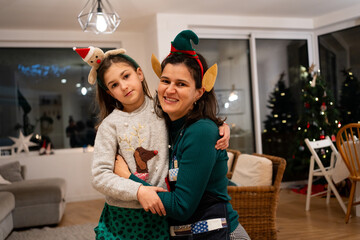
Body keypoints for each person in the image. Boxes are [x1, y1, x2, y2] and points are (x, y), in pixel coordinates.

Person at [73, 46, 230, 240]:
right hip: (123, 214)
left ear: (139, 73)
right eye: (114, 85)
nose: (123, 86)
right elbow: (99, 175)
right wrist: (138, 190)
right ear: (109, 92)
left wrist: (220, 126)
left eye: (126, 76)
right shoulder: (110, 125)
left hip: (161, 213)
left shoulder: (162, 108)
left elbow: (191, 119)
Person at [115, 30, 250, 239]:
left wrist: (129, 180)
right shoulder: (166, 124)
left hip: (218, 234)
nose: (169, 90)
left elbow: (181, 207)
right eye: (165, 80)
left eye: (181, 84)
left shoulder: (201, 131)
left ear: (199, 92)